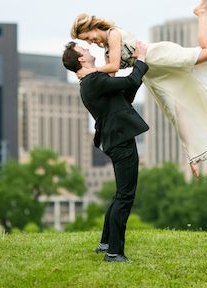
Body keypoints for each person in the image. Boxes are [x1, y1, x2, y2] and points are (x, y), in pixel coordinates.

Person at [71, 0, 207, 177]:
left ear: (92, 27)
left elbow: (113, 67)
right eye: (86, 41)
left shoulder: (112, 34)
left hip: (156, 56)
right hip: (152, 74)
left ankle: (201, 13)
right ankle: (193, 156)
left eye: (88, 37)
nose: (90, 42)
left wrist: (89, 72)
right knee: (174, 110)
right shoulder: (107, 51)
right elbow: (111, 79)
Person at [62, 40, 149, 263]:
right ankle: (114, 253)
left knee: (120, 193)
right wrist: (140, 59)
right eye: (84, 50)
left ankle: (106, 244)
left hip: (115, 139)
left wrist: (137, 73)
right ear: (81, 59)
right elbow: (130, 80)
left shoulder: (90, 83)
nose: (89, 49)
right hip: (120, 140)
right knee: (125, 196)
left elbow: (125, 94)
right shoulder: (93, 80)